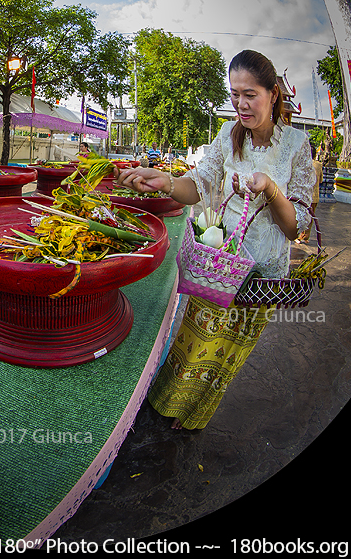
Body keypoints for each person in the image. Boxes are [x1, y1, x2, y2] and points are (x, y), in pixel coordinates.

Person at [116, 50, 315, 430]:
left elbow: (296, 228)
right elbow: (200, 184)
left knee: (225, 354)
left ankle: (192, 417)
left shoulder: (296, 146)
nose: (240, 103)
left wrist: (270, 189)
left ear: (273, 94)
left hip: (263, 275)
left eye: (250, 94)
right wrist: (167, 182)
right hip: (219, 264)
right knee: (195, 339)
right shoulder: (227, 135)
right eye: (234, 94)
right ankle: (164, 404)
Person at [296, 141, 322, 244]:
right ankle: (306, 237)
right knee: (310, 216)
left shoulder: (302, 163)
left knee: (300, 214)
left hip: (304, 194)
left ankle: (298, 236)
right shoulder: (318, 165)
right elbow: (320, 180)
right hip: (315, 195)